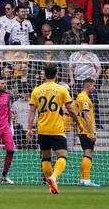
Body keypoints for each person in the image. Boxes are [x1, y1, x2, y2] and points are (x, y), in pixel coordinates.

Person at [27, 64, 80, 195]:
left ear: (44, 74)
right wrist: (78, 122)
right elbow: (71, 109)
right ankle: (54, 177)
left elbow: (32, 111)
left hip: (42, 129)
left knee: (46, 158)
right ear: (56, 75)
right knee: (62, 156)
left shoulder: (36, 90)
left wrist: (29, 129)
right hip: (57, 129)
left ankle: (51, 186)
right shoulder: (61, 90)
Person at [72, 77, 101, 187]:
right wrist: (92, 132)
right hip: (86, 130)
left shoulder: (79, 97)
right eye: (93, 86)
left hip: (81, 129)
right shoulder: (84, 98)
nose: (94, 88)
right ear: (88, 86)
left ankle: (83, 179)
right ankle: (86, 179)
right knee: (88, 153)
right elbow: (87, 116)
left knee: (86, 153)